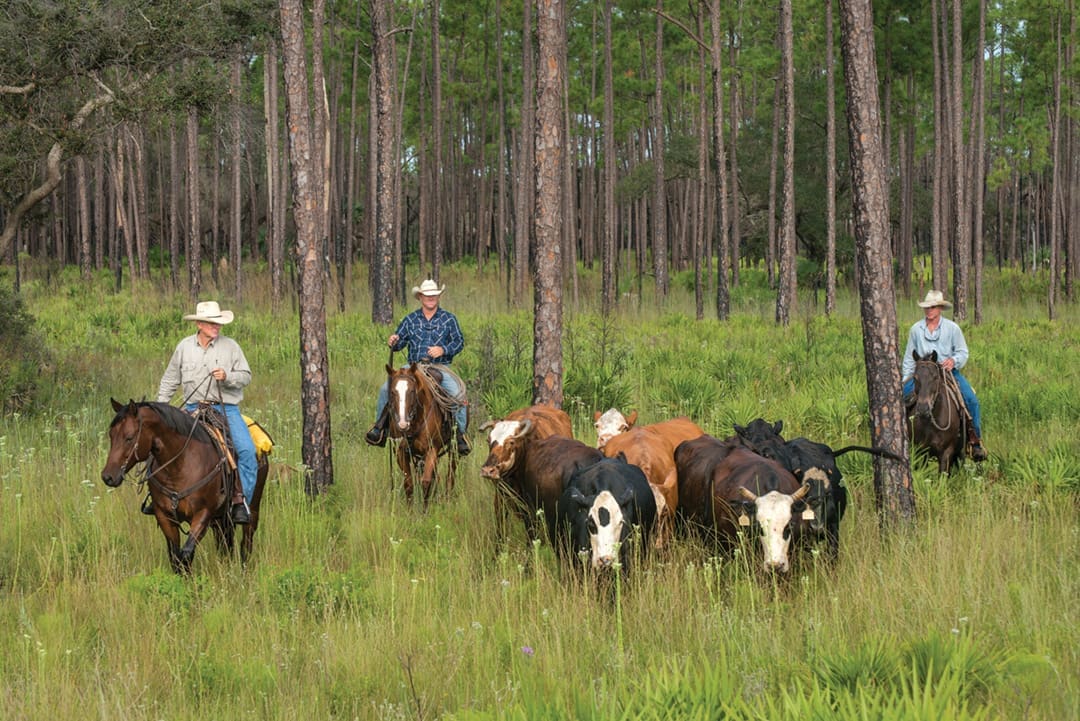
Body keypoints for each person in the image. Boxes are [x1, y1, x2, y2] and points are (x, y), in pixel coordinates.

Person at [157, 300, 257, 523]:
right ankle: (159, 499)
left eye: (218, 323)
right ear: (200, 324)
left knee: (247, 452)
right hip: (191, 409)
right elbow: (170, 380)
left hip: (225, 409)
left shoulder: (231, 346)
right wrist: (162, 410)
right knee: (161, 446)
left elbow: (246, 376)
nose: (217, 327)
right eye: (212, 323)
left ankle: (242, 504)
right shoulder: (183, 347)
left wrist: (228, 377)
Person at [366, 279, 471, 456]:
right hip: (413, 367)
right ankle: (380, 429)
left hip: (440, 367)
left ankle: (459, 435)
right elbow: (399, 342)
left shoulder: (449, 319)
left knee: (457, 395)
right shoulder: (410, 319)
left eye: (434, 295)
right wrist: (393, 340)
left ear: (438, 297)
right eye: (427, 295)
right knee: (386, 389)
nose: (431, 298)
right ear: (421, 297)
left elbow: (459, 342)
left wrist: (443, 349)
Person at [901, 290, 988, 461]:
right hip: (922, 374)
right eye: (927, 307)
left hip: (946, 372)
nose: (929, 310)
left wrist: (953, 361)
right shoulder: (916, 330)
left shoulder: (952, 329)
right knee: (900, 399)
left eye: (933, 307)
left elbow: (963, 352)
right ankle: (899, 439)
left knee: (971, 400)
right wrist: (906, 379)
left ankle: (974, 441)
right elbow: (908, 358)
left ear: (940, 308)